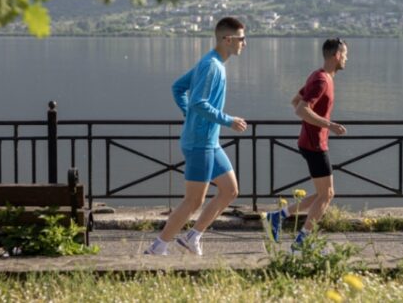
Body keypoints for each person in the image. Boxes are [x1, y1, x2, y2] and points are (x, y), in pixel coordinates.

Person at [144, 17, 248, 255]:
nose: (245, 43)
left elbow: (178, 88)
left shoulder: (213, 63)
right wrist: (228, 120)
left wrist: (188, 114)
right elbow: (199, 102)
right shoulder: (211, 66)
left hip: (210, 143)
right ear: (227, 39)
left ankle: (193, 236)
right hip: (200, 144)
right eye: (242, 39)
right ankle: (158, 247)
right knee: (193, 200)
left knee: (230, 190)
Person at [266, 38, 348, 249]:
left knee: (324, 193)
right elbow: (300, 109)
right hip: (314, 144)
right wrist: (328, 125)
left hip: (311, 141)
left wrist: (317, 123)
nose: (347, 58)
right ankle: (301, 240)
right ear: (336, 55)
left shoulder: (318, 75)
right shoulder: (322, 80)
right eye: (345, 54)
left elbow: (296, 100)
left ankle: (278, 217)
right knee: (327, 194)